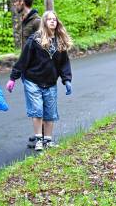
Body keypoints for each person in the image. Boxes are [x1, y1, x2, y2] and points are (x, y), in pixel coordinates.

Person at [6, 10, 72, 151]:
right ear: (44, 22)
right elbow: (23, 60)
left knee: (50, 112)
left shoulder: (60, 41)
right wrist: (13, 78)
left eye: (54, 19)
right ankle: (38, 140)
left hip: (50, 82)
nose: (52, 21)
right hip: (33, 80)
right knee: (37, 110)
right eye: (49, 19)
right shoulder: (35, 39)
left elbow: (64, 64)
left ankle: (48, 141)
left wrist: (66, 80)